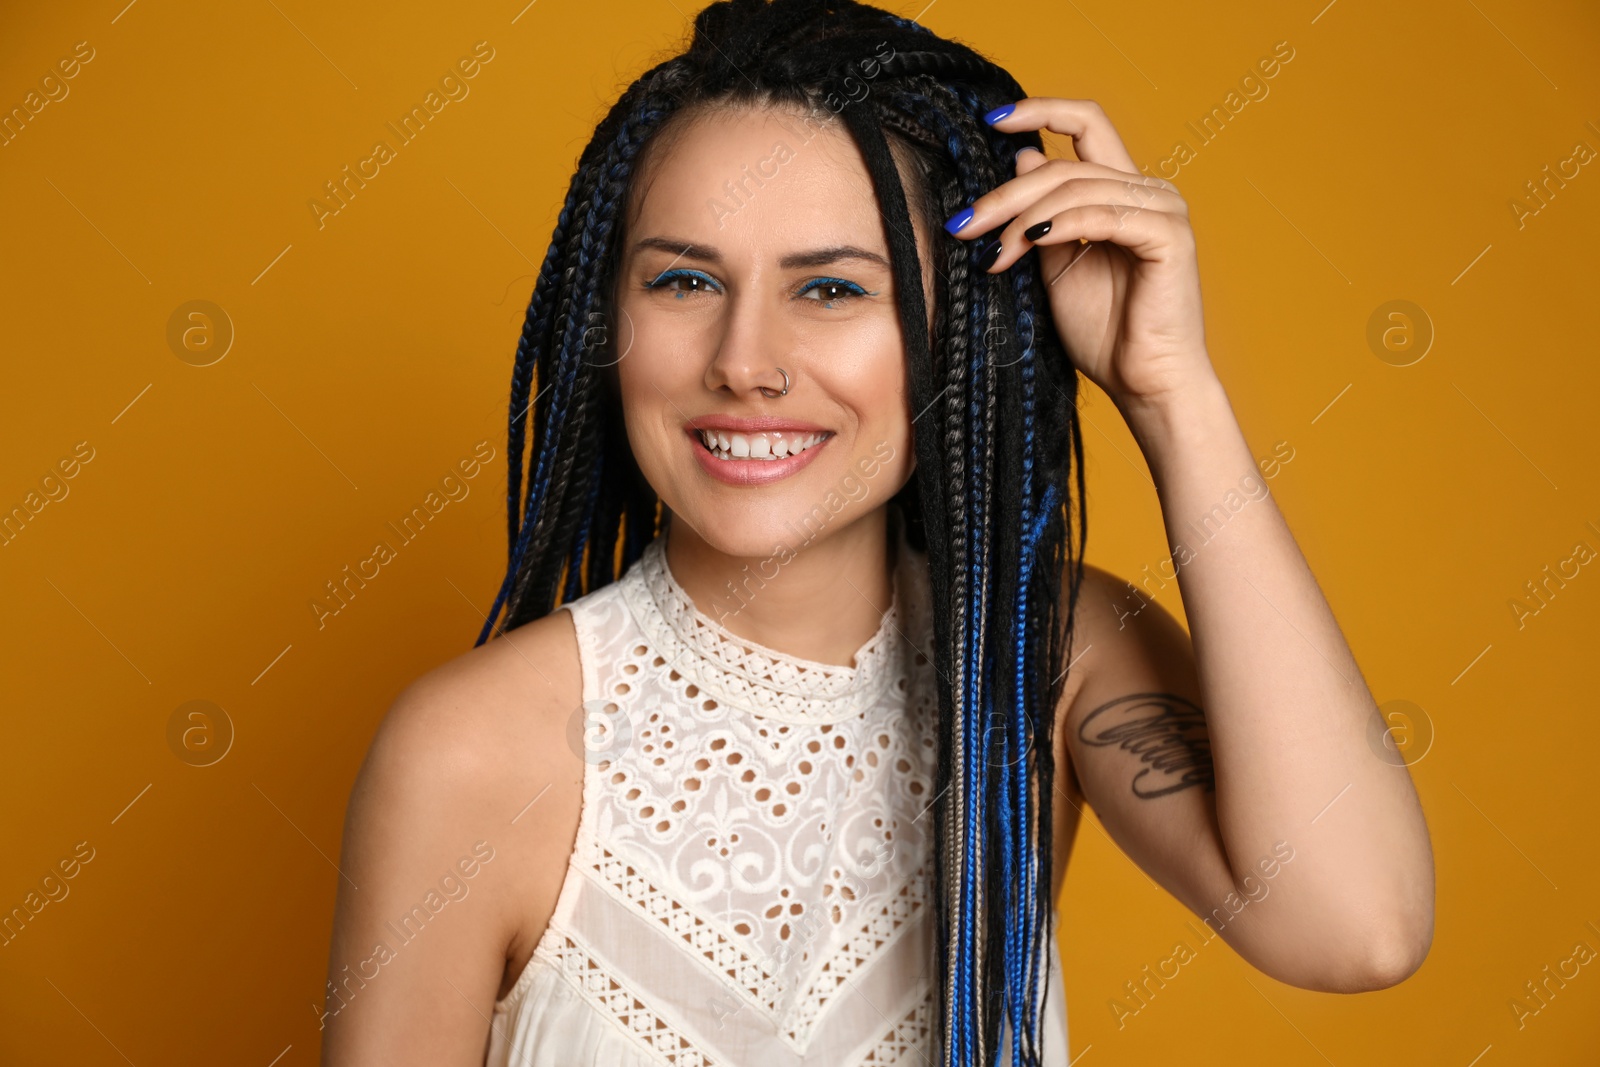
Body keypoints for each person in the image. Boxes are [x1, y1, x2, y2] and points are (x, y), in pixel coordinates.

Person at [320, 0, 1435, 1064]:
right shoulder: (466, 753)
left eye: (832, 291)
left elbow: (1355, 924)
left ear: (960, 325)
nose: (743, 360)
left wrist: (1168, 393)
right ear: (608, 315)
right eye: (685, 277)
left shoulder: (1046, 655)